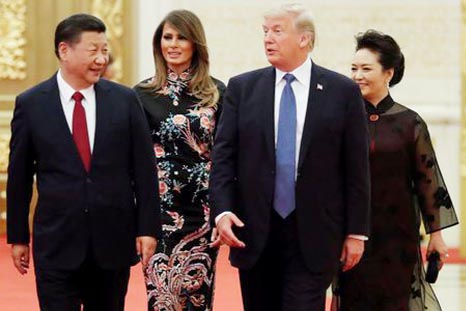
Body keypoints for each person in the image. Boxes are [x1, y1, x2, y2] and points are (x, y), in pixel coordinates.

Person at [209, 4, 370, 311]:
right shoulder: (242, 88)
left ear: (304, 39)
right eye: (265, 31)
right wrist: (222, 210)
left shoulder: (342, 92)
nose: (268, 38)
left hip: (314, 233)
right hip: (254, 232)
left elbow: (356, 169)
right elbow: (224, 158)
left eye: (278, 31)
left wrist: (356, 232)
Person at [6, 13, 161, 311]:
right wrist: (18, 237)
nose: (101, 59)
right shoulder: (32, 103)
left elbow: (144, 170)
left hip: (112, 241)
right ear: (64, 50)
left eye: (104, 50)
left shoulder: (125, 101)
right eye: (93, 50)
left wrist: (148, 228)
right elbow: (20, 176)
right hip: (57, 241)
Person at [333, 29, 459, 311]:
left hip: (398, 236)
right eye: (353, 68)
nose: (357, 75)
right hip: (353, 233)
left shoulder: (410, 123)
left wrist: (436, 236)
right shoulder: (342, 120)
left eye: (366, 68)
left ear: (388, 73)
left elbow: (428, 181)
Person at [134, 9, 225, 311]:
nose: (172, 44)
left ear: (195, 44)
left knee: (197, 299)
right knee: (161, 299)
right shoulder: (141, 95)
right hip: (158, 213)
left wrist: (224, 211)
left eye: (181, 37)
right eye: (167, 37)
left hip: (203, 212)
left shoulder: (217, 93)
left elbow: (225, 156)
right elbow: (133, 157)